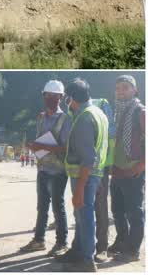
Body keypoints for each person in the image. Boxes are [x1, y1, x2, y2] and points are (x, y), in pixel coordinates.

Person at [56, 78, 108, 272]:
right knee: (82, 216)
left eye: (67, 99)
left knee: (85, 217)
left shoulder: (85, 118)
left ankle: (87, 260)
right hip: (94, 175)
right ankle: (79, 252)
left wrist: (79, 189)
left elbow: (88, 158)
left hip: (84, 176)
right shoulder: (98, 113)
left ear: (71, 98)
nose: (66, 103)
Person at [20, 80, 72, 256]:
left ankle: (62, 243)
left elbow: (66, 148)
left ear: (61, 97)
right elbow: (39, 139)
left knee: (58, 207)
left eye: (54, 96)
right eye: (47, 95)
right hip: (42, 169)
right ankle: (39, 240)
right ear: (44, 96)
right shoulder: (41, 117)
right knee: (42, 207)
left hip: (58, 172)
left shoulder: (66, 119)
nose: (50, 99)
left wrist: (44, 147)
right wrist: (33, 145)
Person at [108, 75, 145, 262]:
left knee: (134, 211)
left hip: (133, 170)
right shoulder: (117, 112)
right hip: (118, 171)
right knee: (117, 210)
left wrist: (141, 165)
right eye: (118, 88)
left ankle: (133, 250)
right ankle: (122, 240)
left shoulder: (141, 111)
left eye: (125, 87)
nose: (120, 91)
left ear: (134, 90)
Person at [91, 97, 115, 263]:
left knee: (100, 207)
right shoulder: (71, 108)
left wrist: (108, 162)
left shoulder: (101, 104)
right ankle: (81, 244)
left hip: (100, 166)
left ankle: (102, 248)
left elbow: (111, 133)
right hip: (81, 167)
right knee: (81, 207)